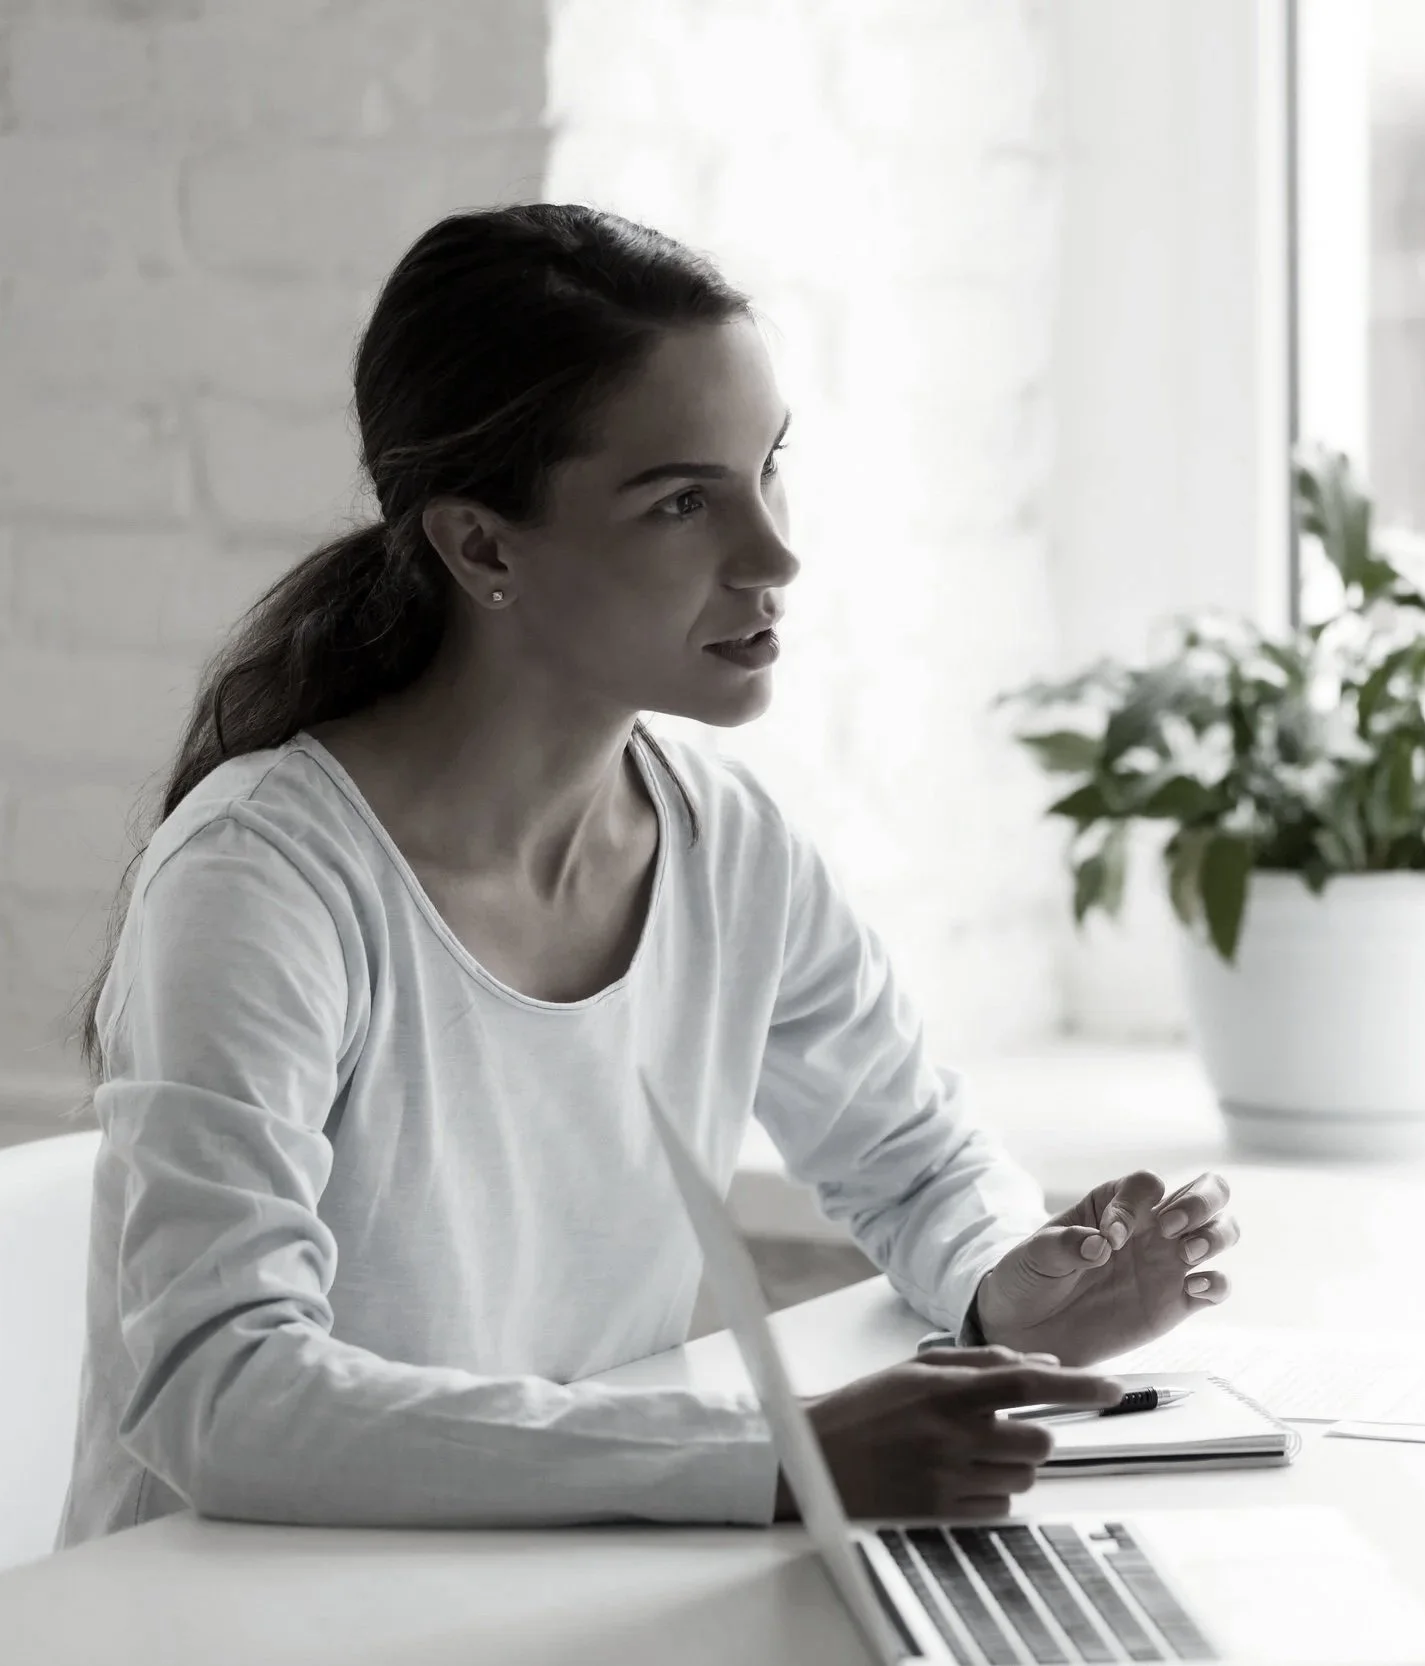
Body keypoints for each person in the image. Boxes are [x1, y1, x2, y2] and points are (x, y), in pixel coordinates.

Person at [60, 205, 1239, 1546]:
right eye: (684, 500)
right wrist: (776, 1454)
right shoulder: (258, 885)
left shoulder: (726, 846)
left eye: (768, 468)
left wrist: (1004, 1279)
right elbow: (224, 1391)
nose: (775, 554)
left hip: (535, 1589)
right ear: (482, 546)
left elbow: (912, 1163)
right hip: (226, 1619)